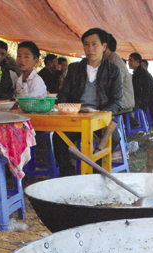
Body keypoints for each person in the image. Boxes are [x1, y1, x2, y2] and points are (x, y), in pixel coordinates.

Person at [55, 27, 123, 176]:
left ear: (104, 47)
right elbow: (63, 95)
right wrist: (63, 107)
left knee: (113, 138)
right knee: (58, 136)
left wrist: (98, 114)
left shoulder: (113, 71)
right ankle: (67, 175)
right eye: (86, 44)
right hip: (76, 117)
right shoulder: (74, 69)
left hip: (100, 118)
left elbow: (117, 102)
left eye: (94, 44)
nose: (90, 49)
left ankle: (94, 171)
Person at [103, 33, 134, 113]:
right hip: (120, 101)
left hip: (123, 103)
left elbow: (114, 85)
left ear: (105, 47)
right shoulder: (110, 60)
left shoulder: (115, 63)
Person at [128, 52, 153, 124]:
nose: (129, 63)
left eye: (131, 60)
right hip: (139, 101)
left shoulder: (142, 74)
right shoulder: (137, 73)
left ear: (137, 62)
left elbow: (143, 92)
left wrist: (138, 103)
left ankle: (134, 123)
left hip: (143, 102)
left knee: (124, 109)